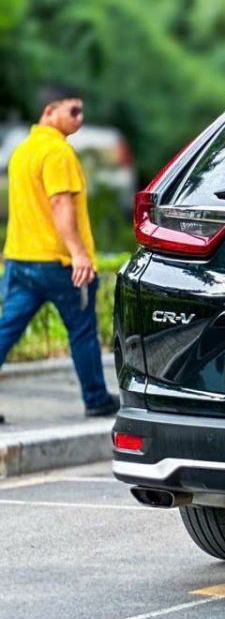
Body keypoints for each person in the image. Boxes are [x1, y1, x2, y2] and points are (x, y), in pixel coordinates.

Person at [0, 83, 118, 420]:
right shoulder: (58, 153)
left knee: (5, 331)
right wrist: (79, 254)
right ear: (49, 111)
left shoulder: (22, 151)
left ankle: (96, 396)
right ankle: (96, 399)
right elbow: (59, 204)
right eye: (73, 111)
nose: (80, 118)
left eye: (81, 111)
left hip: (20, 260)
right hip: (60, 264)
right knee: (82, 332)